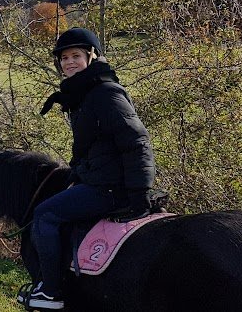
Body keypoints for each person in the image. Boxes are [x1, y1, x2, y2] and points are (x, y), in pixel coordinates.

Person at [26, 28, 156, 310]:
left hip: (111, 187)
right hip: (100, 179)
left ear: (92, 56)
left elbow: (136, 141)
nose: (69, 62)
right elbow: (94, 147)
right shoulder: (84, 93)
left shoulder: (105, 93)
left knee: (44, 215)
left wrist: (139, 192)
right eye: (64, 58)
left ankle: (51, 292)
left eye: (76, 56)